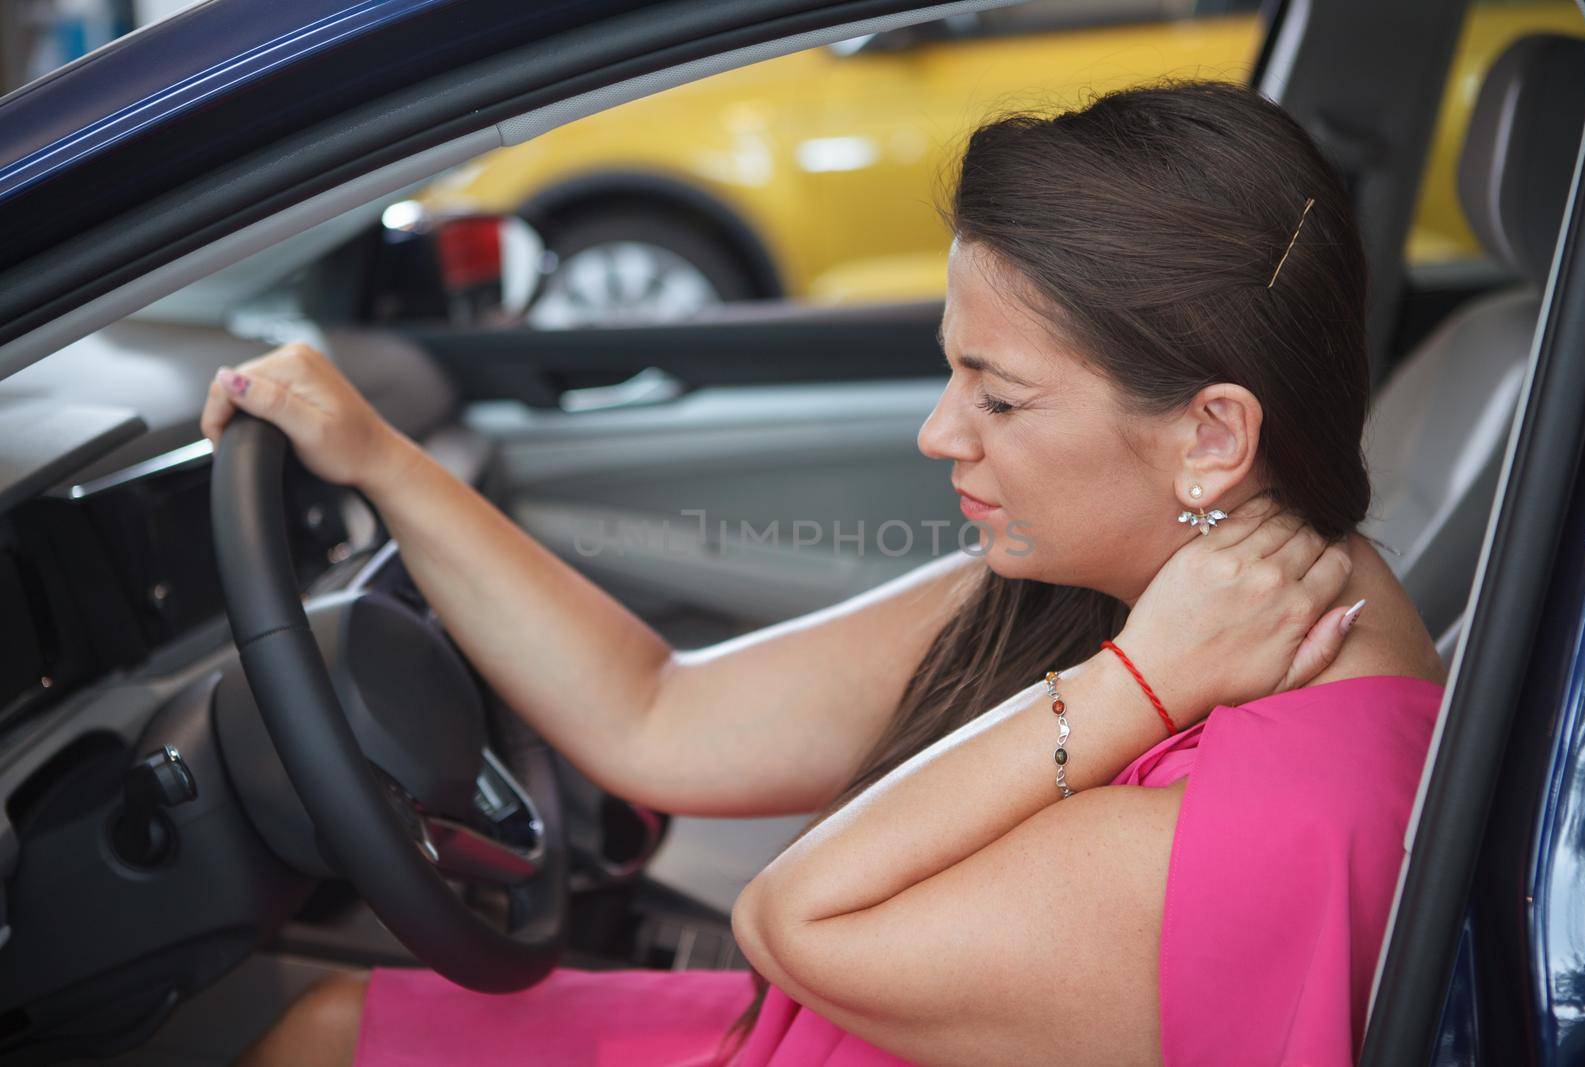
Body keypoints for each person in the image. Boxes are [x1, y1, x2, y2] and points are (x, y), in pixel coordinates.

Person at [210, 79, 1447, 1067]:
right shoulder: (1170, 574)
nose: (939, 432)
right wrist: (374, 456)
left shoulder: (1255, 807)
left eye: (998, 395)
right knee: (328, 1026)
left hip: (798, 999)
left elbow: (791, 923)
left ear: (1212, 434)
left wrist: (1134, 682)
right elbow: (662, 715)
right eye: (951, 370)